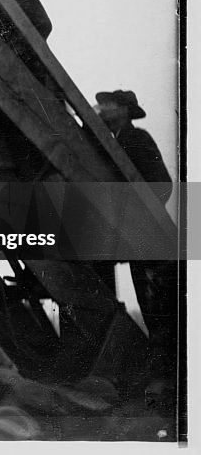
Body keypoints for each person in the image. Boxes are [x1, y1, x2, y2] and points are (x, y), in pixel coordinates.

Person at [95, 89, 176, 382]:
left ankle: (168, 381)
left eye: (107, 104)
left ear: (124, 110)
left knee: (161, 311)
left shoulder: (137, 139)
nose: (100, 108)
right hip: (137, 243)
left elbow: (162, 184)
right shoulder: (108, 143)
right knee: (152, 307)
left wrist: (137, 219)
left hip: (153, 241)